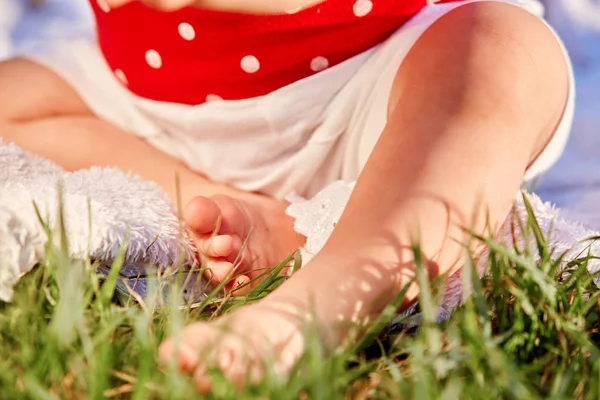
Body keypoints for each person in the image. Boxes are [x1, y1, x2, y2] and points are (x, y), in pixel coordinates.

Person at [0, 0, 573, 391]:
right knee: (12, 95)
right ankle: (234, 207)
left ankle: (321, 303)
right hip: (150, 93)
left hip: (372, 80)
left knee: (504, 50)